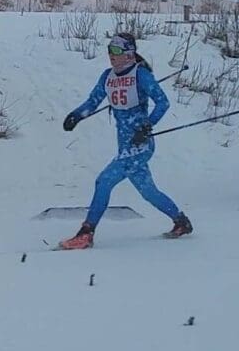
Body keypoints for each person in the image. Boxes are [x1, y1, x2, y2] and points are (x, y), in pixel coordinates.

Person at [59, 33, 193, 250]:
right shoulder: (107, 77)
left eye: (118, 51)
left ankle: (86, 233)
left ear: (129, 53)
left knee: (103, 181)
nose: (112, 55)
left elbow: (163, 103)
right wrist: (76, 116)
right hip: (124, 147)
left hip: (140, 146)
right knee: (148, 192)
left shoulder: (141, 75)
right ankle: (181, 221)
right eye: (110, 51)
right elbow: (93, 102)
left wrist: (147, 126)